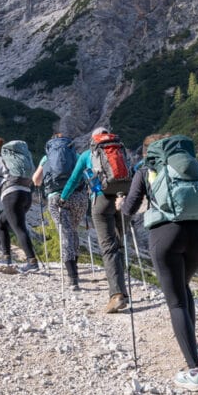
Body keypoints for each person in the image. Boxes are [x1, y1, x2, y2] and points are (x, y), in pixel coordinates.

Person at [121, 133, 198, 392]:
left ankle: (194, 371)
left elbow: (129, 209)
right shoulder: (194, 166)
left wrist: (121, 208)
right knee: (184, 288)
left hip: (166, 235)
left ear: (148, 154)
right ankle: (193, 347)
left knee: (175, 301)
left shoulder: (146, 169)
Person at [78, 127, 130, 313]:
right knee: (119, 244)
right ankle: (123, 290)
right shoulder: (120, 149)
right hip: (123, 199)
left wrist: (63, 198)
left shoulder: (88, 154)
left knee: (108, 248)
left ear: (94, 139)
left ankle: (116, 295)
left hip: (101, 201)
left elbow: (75, 178)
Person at [33, 132, 88, 291]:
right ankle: (74, 268)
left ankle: (72, 278)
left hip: (56, 197)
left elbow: (36, 180)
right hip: (78, 197)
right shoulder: (75, 155)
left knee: (65, 233)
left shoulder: (47, 157)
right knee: (72, 231)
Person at [0, 139, 39, 274]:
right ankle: (6, 257)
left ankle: (32, 262)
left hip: (11, 195)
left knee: (19, 228)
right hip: (26, 194)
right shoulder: (20, 159)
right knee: (1, 223)